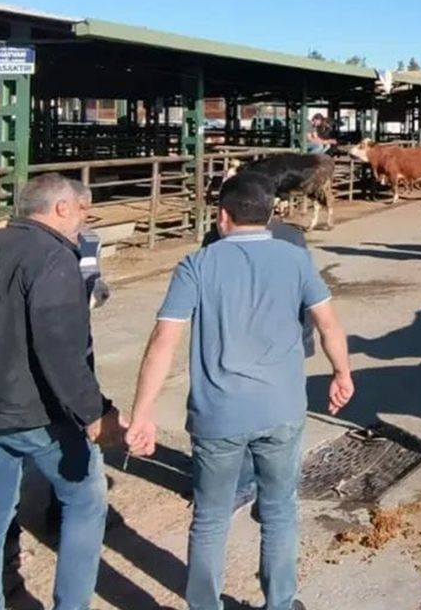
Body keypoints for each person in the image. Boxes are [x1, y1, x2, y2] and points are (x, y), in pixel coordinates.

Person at [125, 173, 353, 610]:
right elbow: (328, 325)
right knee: (280, 510)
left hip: (218, 415)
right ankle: (280, 603)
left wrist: (142, 413)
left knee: (210, 518)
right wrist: (341, 373)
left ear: (221, 216)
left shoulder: (197, 265)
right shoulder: (296, 259)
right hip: (282, 409)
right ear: (270, 215)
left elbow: (163, 343)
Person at [0, 173, 124, 610]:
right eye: (82, 211)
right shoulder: (54, 257)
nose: (84, 220)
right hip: (39, 414)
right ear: (62, 207)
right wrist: (95, 412)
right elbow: (60, 347)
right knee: (84, 501)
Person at [201, 204, 316, 517]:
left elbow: (306, 296)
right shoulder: (217, 239)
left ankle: (260, 489)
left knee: (261, 420)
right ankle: (256, 488)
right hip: (253, 345)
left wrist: (305, 339)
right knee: (257, 420)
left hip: (258, 345)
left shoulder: (285, 238)